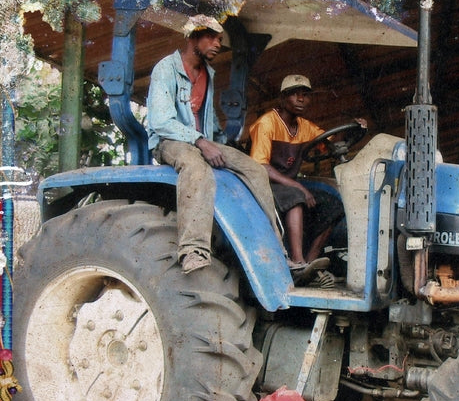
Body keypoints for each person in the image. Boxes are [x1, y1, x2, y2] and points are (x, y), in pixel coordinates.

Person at [146, 14, 285, 274]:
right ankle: (193, 250)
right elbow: (161, 121)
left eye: (220, 39)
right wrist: (200, 141)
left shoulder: (208, 73)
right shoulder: (166, 69)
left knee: (254, 169)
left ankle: (278, 251)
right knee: (197, 169)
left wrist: (223, 143)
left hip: (201, 141)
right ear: (192, 37)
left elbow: (207, 123)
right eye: (211, 37)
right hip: (170, 142)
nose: (218, 44)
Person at [246, 75, 367, 276]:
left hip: (288, 184)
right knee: (297, 196)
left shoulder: (305, 126)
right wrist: (299, 187)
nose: (301, 99)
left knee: (334, 205)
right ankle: (297, 260)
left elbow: (330, 140)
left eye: (305, 95)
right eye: (295, 95)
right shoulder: (266, 124)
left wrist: (353, 126)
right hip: (263, 182)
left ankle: (310, 264)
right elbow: (261, 166)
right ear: (283, 99)